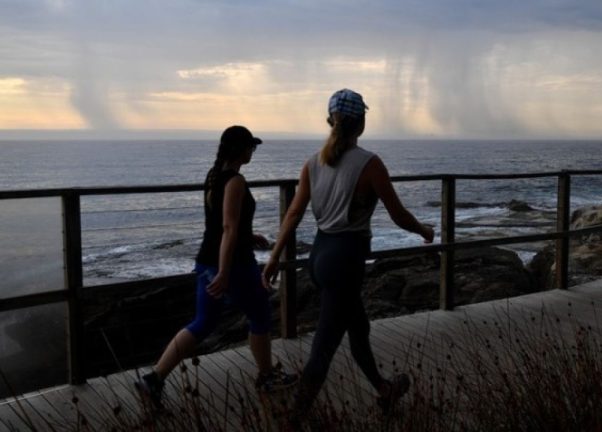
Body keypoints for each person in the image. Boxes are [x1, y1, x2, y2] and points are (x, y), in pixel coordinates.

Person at [262, 89, 435, 420]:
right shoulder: (369, 164)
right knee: (323, 348)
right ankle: (296, 417)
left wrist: (273, 259)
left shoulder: (312, 163)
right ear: (363, 123)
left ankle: (384, 389)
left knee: (358, 327)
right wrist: (425, 231)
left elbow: (294, 214)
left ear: (330, 121)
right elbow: (398, 214)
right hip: (345, 259)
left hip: (320, 253)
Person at [135, 125, 297, 408]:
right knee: (260, 314)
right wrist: (224, 271)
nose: (252, 152)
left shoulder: (213, 177)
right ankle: (267, 376)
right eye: (250, 147)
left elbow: (222, 224)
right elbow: (228, 228)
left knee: (203, 322)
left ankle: (154, 378)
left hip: (206, 260)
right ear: (240, 149)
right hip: (233, 264)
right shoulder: (235, 181)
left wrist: (248, 236)